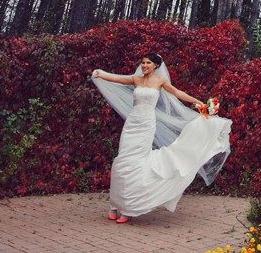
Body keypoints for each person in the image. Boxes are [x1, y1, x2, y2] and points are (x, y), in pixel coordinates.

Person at [91, 53, 231, 223]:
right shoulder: (136, 79)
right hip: (132, 124)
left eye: (148, 63)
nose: (144, 65)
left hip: (146, 125)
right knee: (123, 160)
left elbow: (178, 93)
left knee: (137, 162)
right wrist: (101, 74)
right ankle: (114, 204)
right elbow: (116, 79)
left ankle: (128, 208)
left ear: (155, 65)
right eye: (142, 63)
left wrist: (199, 103)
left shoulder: (160, 82)